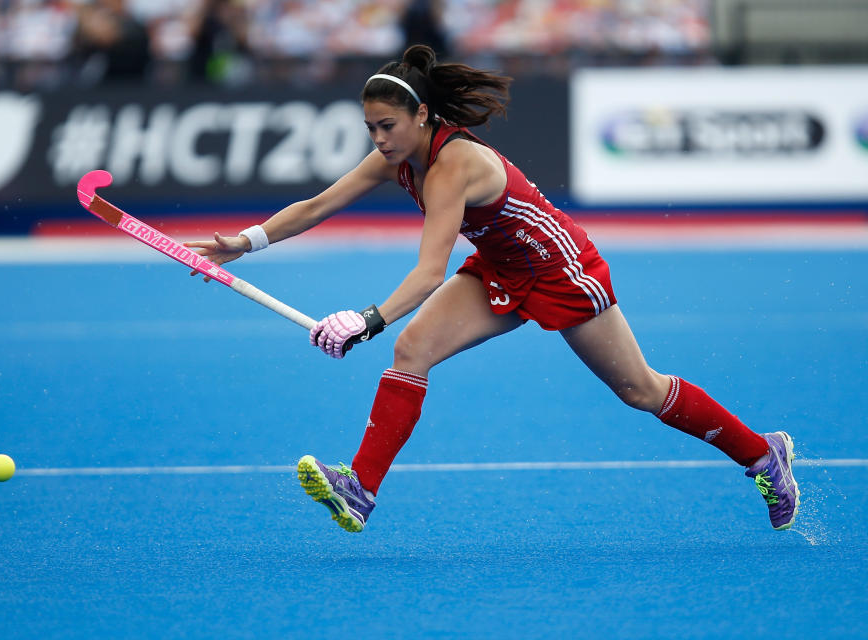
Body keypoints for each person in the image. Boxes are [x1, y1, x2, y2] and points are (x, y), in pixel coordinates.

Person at [184, 45, 800, 534]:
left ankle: (760, 456)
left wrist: (367, 319)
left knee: (639, 389)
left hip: (561, 269)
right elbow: (320, 204)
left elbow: (428, 272)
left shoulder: (453, 165)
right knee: (414, 350)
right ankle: (361, 489)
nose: (379, 139)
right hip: (501, 265)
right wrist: (246, 242)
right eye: (371, 127)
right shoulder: (399, 154)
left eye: (388, 126)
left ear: (423, 116)